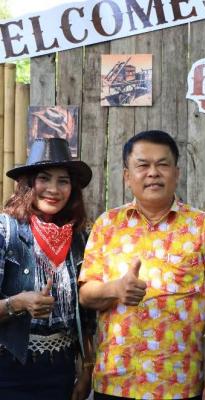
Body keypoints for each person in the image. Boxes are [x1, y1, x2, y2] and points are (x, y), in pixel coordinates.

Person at [79, 130, 205, 400]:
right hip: (115, 382)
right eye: (142, 165)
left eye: (162, 164)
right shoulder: (107, 225)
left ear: (176, 173)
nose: (153, 173)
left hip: (179, 384)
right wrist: (115, 289)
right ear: (127, 176)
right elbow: (85, 295)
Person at [0, 138, 96, 400]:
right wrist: (18, 303)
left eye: (63, 181)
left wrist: (87, 369)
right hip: (8, 370)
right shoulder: (5, 231)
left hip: (61, 371)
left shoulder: (79, 238)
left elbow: (87, 319)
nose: (54, 189)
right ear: (28, 184)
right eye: (44, 178)